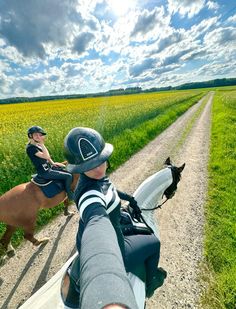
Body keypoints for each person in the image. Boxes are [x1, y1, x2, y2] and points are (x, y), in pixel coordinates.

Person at [63, 127, 167, 307]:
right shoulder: (89, 195)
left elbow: (109, 188)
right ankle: (151, 285)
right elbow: (97, 221)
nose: (97, 168)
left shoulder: (95, 178)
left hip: (114, 227)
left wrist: (130, 198)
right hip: (114, 247)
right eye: (89, 165)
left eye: (101, 161)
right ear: (79, 168)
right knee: (153, 243)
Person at [26, 126, 74, 200]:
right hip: (45, 172)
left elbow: (47, 158)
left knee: (64, 168)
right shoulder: (31, 148)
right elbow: (46, 156)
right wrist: (42, 144)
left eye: (40, 135)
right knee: (68, 176)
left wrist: (53, 163)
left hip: (49, 167)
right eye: (36, 135)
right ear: (30, 136)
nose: (39, 136)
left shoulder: (37, 145)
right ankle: (69, 194)